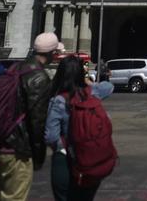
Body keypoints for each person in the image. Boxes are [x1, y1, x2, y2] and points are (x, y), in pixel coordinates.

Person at [0, 32, 58, 201]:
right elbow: (36, 120)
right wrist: (39, 155)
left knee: (2, 195)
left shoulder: (16, 68)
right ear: (52, 54)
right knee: (15, 197)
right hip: (17, 149)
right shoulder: (39, 78)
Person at [45, 55, 114, 201]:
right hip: (91, 159)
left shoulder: (58, 100)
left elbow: (50, 136)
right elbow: (109, 87)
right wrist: (88, 83)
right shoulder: (91, 93)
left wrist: (62, 148)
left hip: (66, 160)